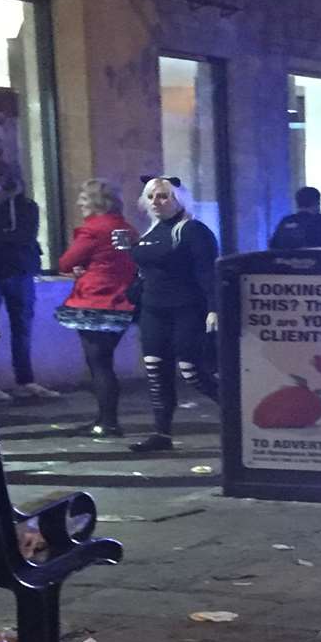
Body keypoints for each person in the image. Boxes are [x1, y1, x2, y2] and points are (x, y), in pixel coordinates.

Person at [127, 176, 220, 453]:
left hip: (187, 308)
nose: (157, 201)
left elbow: (207, 270)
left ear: (178, 199)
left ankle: (239, 418)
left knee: (192, 371)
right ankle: (161, 434)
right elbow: (144, 272)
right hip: (153, 309)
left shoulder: (191, 230)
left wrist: (214, 307)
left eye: (164, 196)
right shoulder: (151, 232)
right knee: (156, 371)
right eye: (152, 196)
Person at [0, 160, 56, 402]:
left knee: (22, 327)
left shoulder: (25, 206)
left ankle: (25, 379)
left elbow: (23, 235)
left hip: (19, 271)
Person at [55, 181, 139, 438]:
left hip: (94, 301)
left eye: (83, 198)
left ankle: (108, 422)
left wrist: (82, 268)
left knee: (99, 364)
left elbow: (66, 262)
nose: (79, 203)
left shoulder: (93, 229)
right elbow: (126, 261)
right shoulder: (125, 229)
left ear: (96, 202)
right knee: (105, 362)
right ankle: (105, 419)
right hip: (121, 300)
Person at [268, 186, 321, 250]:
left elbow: (273, 247)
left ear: (297, 202)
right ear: (318, 202)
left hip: (288, 271)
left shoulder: (285, 222)